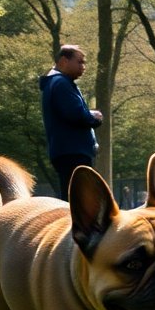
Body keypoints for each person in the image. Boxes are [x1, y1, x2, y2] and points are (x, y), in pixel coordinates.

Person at [40, 45, 102, 200]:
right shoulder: (61, 83)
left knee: (77, 200)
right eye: (79, 62)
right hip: (73, 152)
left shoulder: (57, 83)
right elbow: (75, 114)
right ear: (63, 61)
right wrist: (93, 117)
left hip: (69, 152)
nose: (83, 67)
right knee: (79, 201)